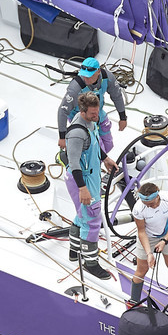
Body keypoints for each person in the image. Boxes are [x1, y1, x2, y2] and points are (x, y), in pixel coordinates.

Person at [65, 93, 116, 280]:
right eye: (93, 114)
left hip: (91, 175)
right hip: (82, 179)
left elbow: (95, 144)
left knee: (82, 215)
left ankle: (74, 251)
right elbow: (74, 162)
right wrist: (82, 188)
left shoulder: (90, 122)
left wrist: (106, 158)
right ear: (82, 111)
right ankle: (90, 263)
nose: (97, 117)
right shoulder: (77, 133)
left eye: (97, 113)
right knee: (92, 219)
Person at [130, 182, 168, 305]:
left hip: (167, 234)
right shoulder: (138, 209)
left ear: (158, 196)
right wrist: (149, 253)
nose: (150, 206)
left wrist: (165, 240)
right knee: (141, 270)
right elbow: (141, 231)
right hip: (148, 237)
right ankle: (133, 302)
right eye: (147, 205)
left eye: (152, 204)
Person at [59, 56, 129, 154]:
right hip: (82, 118)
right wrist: (62, 137)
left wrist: (123, 118)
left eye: (89, 76)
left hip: (98, 113)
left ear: (98, 71)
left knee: (108, 145)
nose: (86, 79)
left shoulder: (108, 78)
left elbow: (117, 96)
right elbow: (63, 110)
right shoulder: (75, 88)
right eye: (84, 76)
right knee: (96, 150)